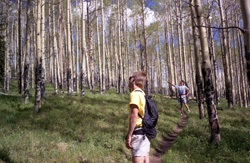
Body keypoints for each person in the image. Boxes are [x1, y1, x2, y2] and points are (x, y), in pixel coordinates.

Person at [126, 71, 150, 163]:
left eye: (130, 78)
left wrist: (129, 135)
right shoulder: (143, 94)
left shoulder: (135, 94)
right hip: (146, 133)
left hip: (138, 133)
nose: (129, 80)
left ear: (133, 79)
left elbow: (134, 115)